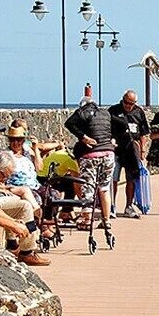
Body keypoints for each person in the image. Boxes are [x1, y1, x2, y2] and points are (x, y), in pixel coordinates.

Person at [65, 84, 118, 221]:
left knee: (88, 188)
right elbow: (122, 124)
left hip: (91, 154)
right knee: (104, 188)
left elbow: (69, 123)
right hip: (108, 154)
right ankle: (106, 221)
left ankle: (87, 221)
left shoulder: (82, 112)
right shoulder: (106, 113)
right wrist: (111, 139)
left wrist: (83, 137)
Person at [112, 91, 148, 216]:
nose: (128, 106)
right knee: (113, 179)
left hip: (132, 151)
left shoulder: (139, 112)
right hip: (116, 151)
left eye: (131, 104)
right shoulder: (113, 110)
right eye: (126, 103)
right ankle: (112, 206)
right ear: (122, 100)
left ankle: (129, 206)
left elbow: (143, 133)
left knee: (131, 179)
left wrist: (142, 150)